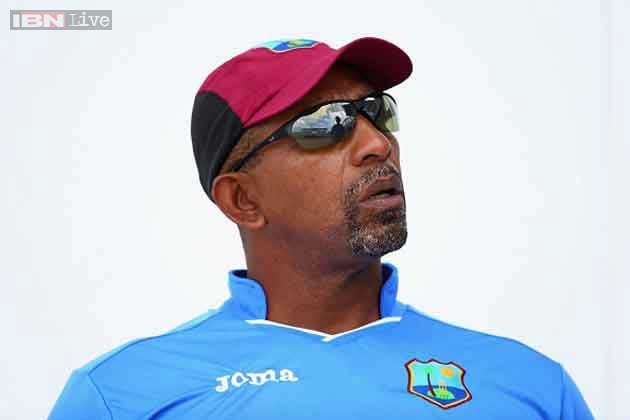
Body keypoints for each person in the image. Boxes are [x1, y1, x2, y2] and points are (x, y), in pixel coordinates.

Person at [48, 37, 594, 419]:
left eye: (376, 111)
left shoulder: (531, 386)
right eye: (325, 124)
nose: (377, 144)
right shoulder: (123, 396)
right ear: (242, 200)